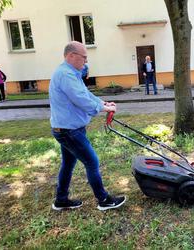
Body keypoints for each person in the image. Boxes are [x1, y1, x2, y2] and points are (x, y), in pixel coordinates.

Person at [49, 41, 126, 211]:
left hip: (65, 129)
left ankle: (61, 200)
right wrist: (103, 108)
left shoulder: (71, 73)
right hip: (68, 131)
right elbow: (80, 99)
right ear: (71, 56)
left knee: (68, 164)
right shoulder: (65, 75)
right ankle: (104, 200)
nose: (85, 62)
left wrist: (102, 102)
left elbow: (86, 94)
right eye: (84, 57)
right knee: (92, 162)